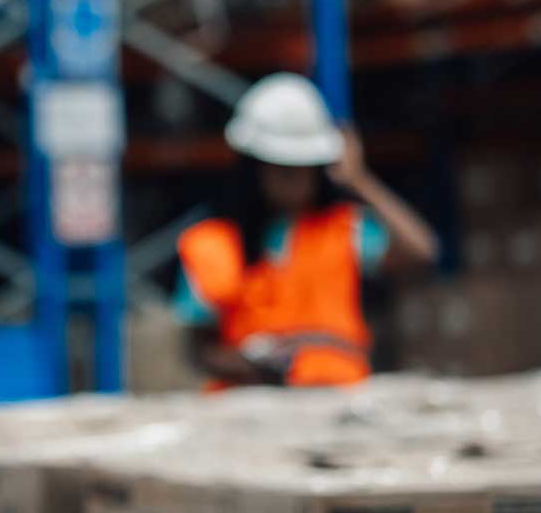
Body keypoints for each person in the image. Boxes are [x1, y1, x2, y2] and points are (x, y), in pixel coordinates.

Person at [175, 73, 439, 388]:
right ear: (254, 166)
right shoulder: (211, 244)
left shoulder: (342, 229)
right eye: (283, 168)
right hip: (248, 405)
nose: (296, 179)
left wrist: (359, 180)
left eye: (305, 167)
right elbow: (197, 349)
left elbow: (421, 251)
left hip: (337, 394)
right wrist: (248, 364)